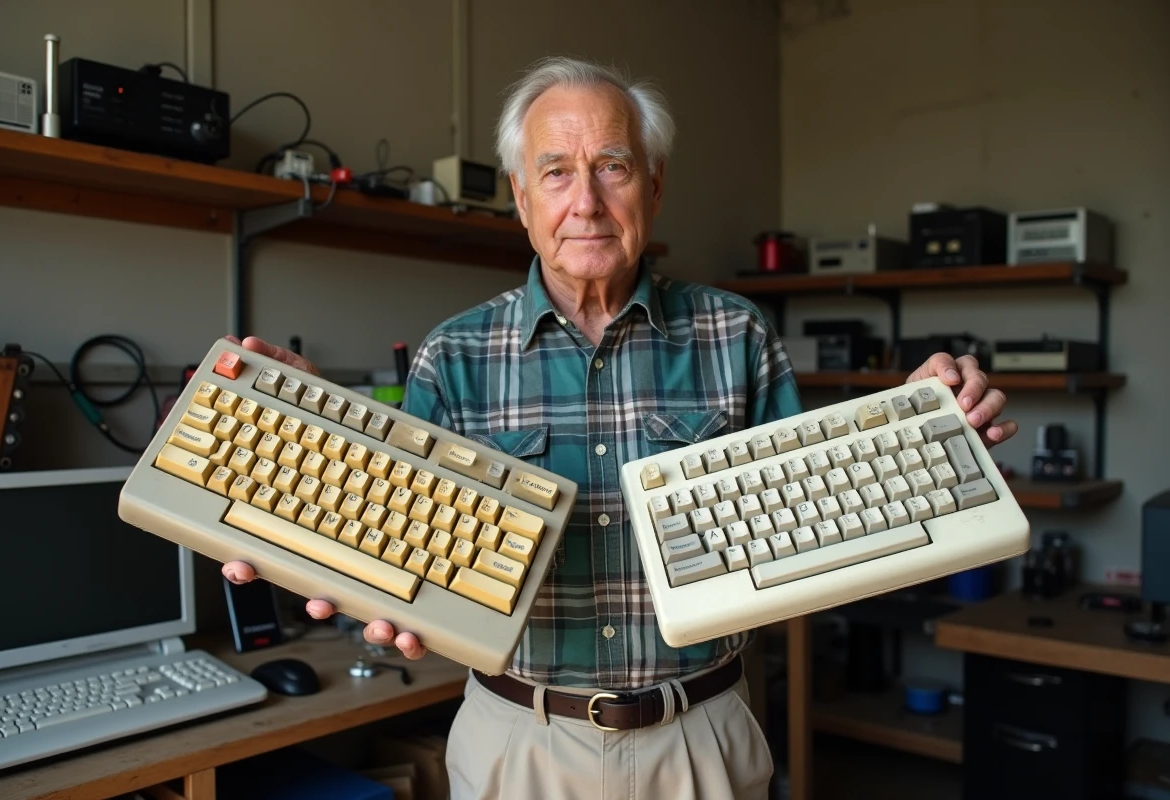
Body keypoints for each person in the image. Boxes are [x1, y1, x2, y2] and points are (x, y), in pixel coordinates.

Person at [221, 56, 1016, 799]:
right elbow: (402, 553)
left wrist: (910, 434)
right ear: (522, 198)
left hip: (702, 734)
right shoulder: (452, 356)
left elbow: (812, 520)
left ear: (654, 186)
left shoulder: (736, 333)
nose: (586, 202)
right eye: (556, 172)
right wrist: (323, 444)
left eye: (612, 166)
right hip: (517, 743)